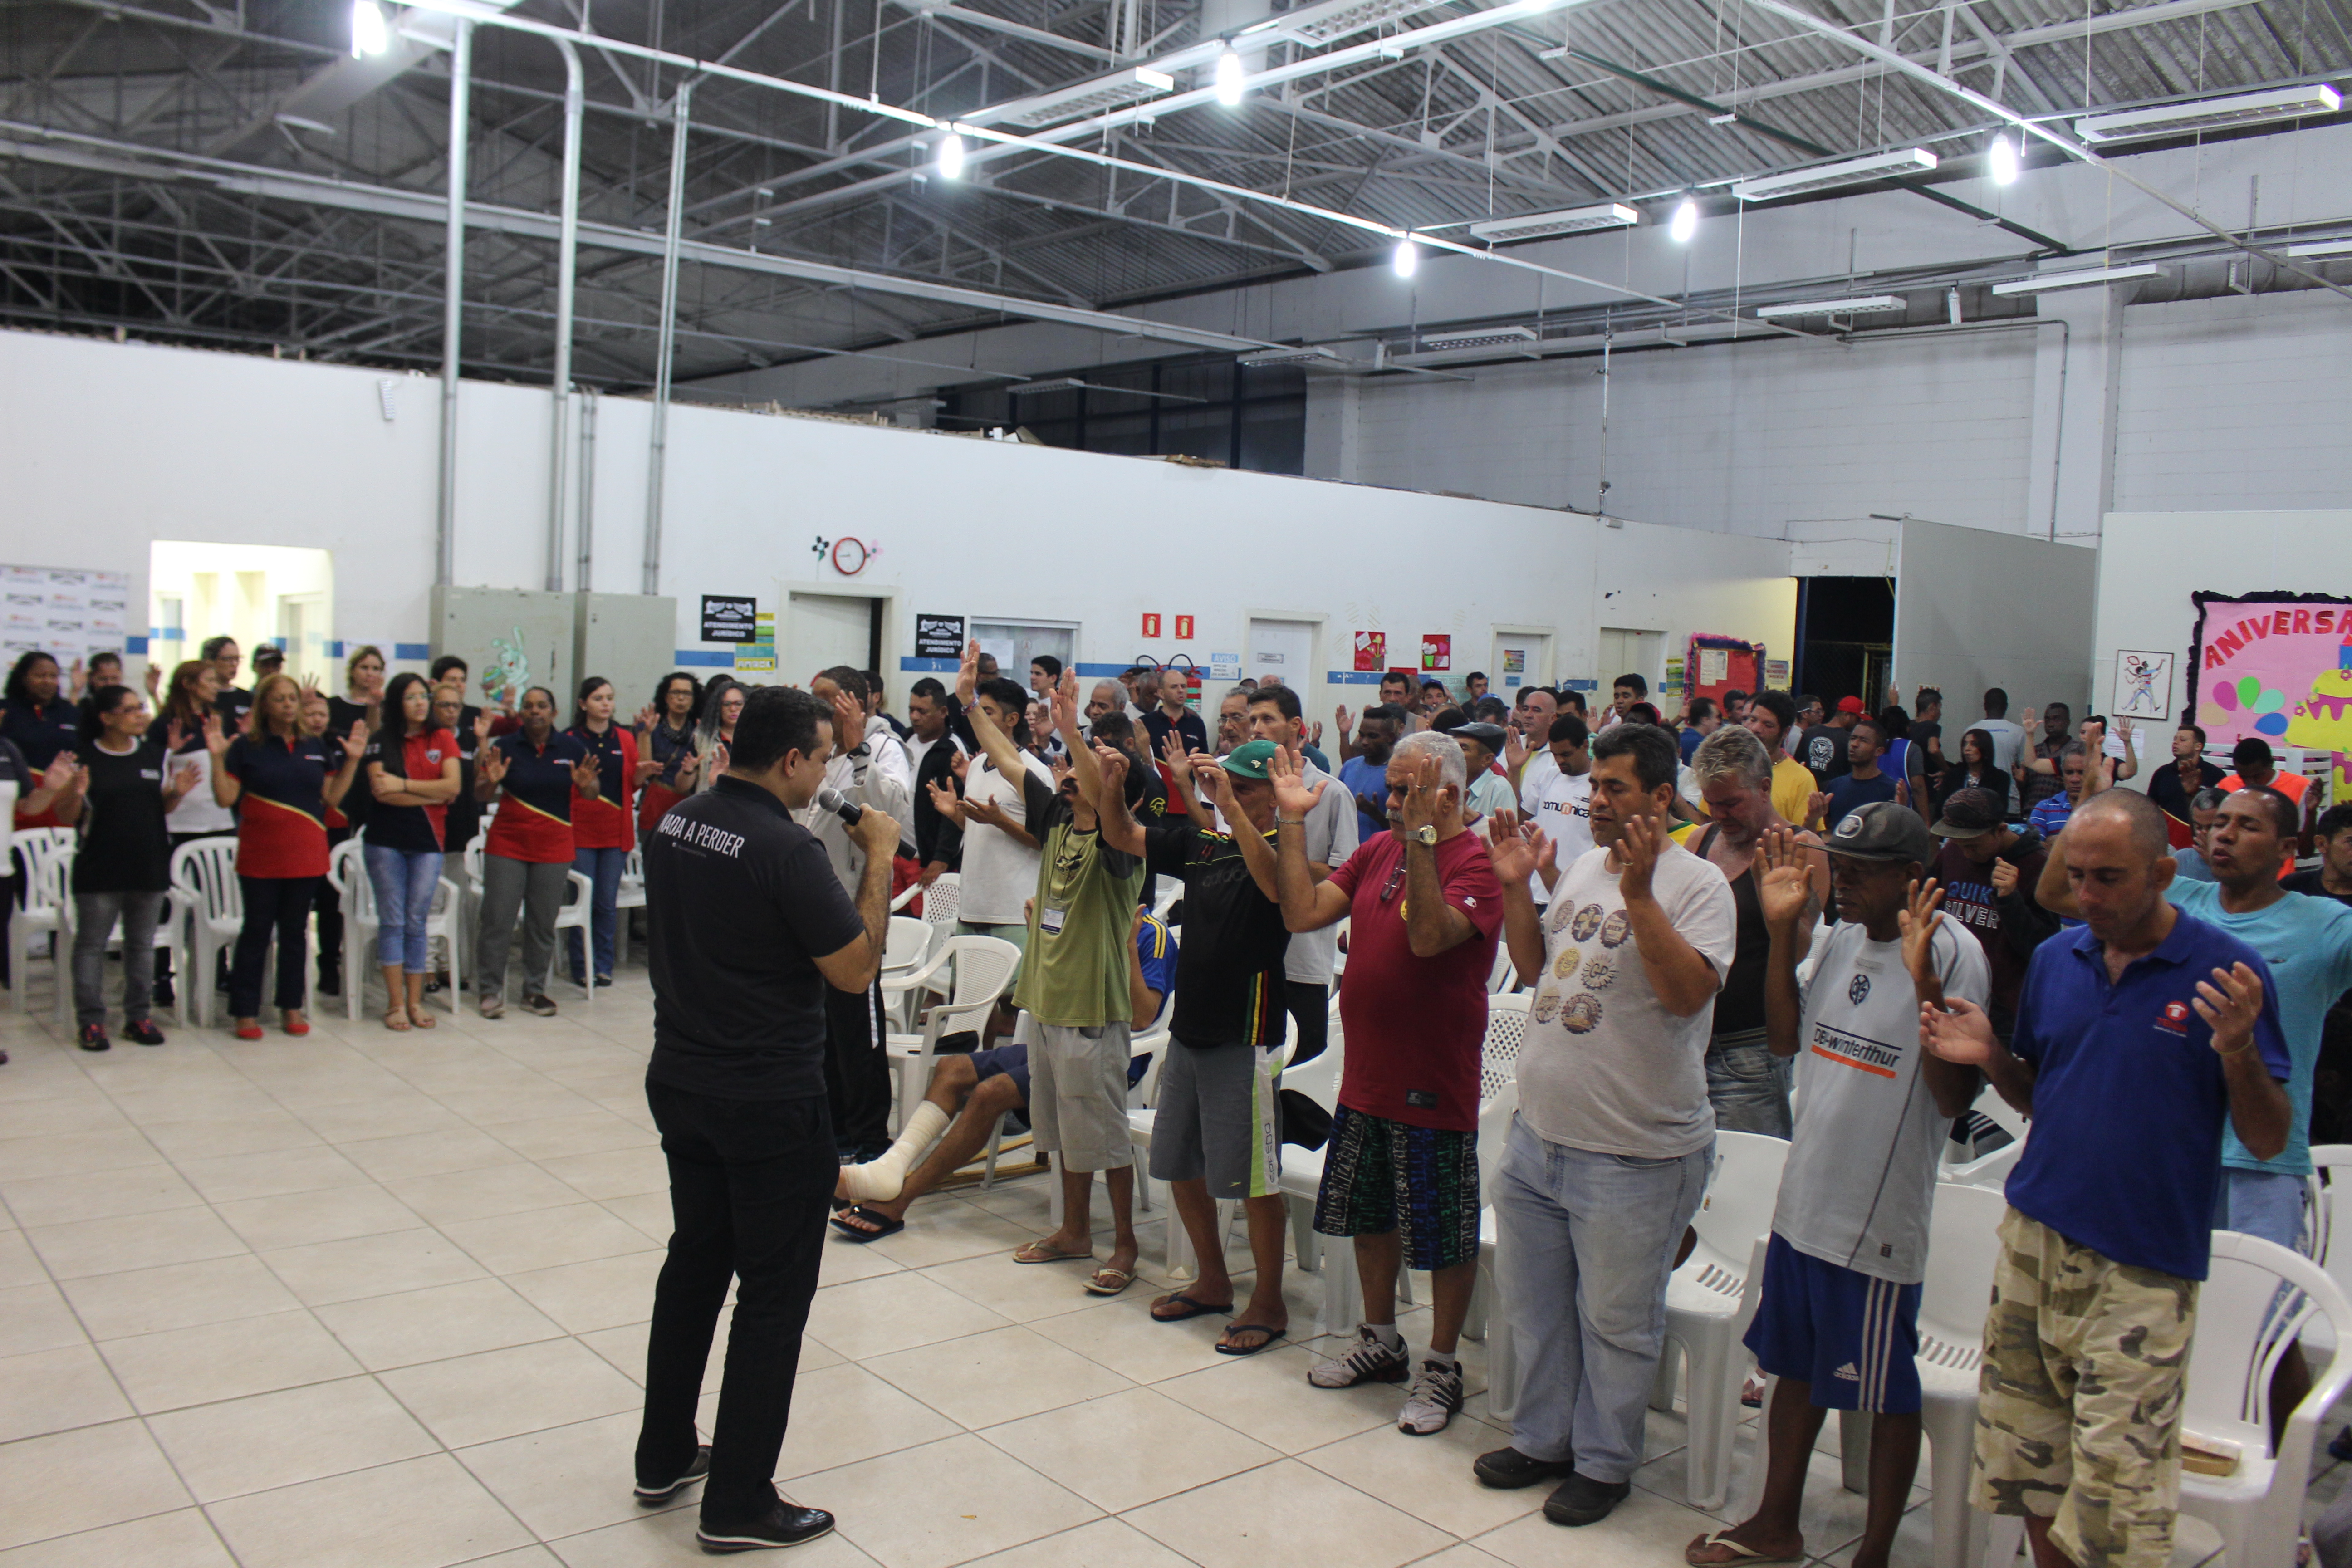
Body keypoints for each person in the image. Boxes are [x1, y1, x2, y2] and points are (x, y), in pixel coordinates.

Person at [1923, 789, 2291, 1568]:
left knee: (2114, 1507)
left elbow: (2265, 1138)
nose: (2085, 895)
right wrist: (1989, 1055)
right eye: (2076, 875)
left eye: (2108, 878)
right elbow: (2037, 1096)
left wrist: (2235, 1050)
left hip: (2142, 1265)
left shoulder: (2226, 972)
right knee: (2031, 1472)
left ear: (2161, 871)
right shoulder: (2059, 960)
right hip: (2033, 1240)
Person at [1686, 808, 1989, 1568]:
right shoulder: (1840, 938)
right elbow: (1785, 1041)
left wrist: (1921, 981)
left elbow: (1953, 1102)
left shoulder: (1952, 953)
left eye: (1860, 869)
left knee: (1885, 1393)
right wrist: (1787, 932)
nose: (1840, 880)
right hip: (1805, 1200)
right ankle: (1774, 1523)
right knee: (1792, 1368)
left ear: (1911, 877)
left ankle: (1875, 1552)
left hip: (1876, 1215)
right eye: (1838, 864)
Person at [634, 684, 896, 1554]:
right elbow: (854, 972)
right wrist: (881, 858)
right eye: (823, 757)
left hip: (682, 1079)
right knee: (774, 1295)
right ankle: (738, 1501)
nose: (827, 771)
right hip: (767, 1100)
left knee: (696, 1263)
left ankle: (665, 1449)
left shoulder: (676, 820)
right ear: (790, 760)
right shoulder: (786, 851)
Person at [1472, 722, 1732, 1522]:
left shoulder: (1697, 885)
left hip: (1633, 1154)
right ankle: (1543, 1439)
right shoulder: (1583, 864)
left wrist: (1641, 894)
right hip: (1540, 1138)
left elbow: (1687, 993)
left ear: (1660, 798)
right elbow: (1531, 963)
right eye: (1594, 788)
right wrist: (1518, 886)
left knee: (1615, 1322)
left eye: (1614, 789)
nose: (1596, 802)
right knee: (1538, 1307)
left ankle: (1605, 1461)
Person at [1274, 730, 1503, 1436]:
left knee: (1442, 1234)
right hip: (1367, 1078)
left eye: (1410, 792)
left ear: (1452, 796)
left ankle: (1441, 1365)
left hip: (1432, 1086)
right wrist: (1288, 820)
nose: (1394, 803)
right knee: (1371, 1216)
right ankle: (1382, 1341)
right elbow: (1303, 913)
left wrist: (1426, 841)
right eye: (1395, 791)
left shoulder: (1477, 865)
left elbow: (1430, 938)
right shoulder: (1378, 851)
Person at [1096, 739, 1298, 1351]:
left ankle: (1269, 1299)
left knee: (1254, 1181)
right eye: (1223, 781)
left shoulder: (1285, 853)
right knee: (1181, 1162)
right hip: (1190, 1032)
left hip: (1246, 1034)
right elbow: (1124, 834)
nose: (1226, 790)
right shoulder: (1201, 845)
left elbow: (1279, 896)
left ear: (1269, 796)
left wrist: (1231, 811)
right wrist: (1110, 783)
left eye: (1243, 785)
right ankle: (1212, 1280)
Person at [964, 654, 1147, 1295]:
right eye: (1067, 770)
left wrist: (1073, 730)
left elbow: (1111, 806)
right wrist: (969, 704)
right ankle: (1074, 1230)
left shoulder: (1121, 846)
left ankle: (1123, 1244)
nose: (1066, 776)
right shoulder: (1057, 821)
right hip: (1045, 1004)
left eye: (1081, 772)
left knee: (1106, 1134)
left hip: (1092, 1011)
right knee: (1064, 1131)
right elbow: (1012, 759)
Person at [831, 906, 1174, 1241]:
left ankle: (899, 1198)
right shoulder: (1084, 922)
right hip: (1055, 1043)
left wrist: (1127, 946)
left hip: (1107, 1056)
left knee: (990, 1093)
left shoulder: (1151, 935)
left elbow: (1143, 1018)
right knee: (953, 1068)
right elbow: (1044, 996)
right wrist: (1039, 940)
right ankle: (895, 1164)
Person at [1687, 725, 1828, 1137]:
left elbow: (1798, 953)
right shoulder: (1701, 839)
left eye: (1732, 803)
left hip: (1750, 1049)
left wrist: (1780, 916)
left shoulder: (1803, 848)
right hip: (1691, 1040)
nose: (1720, 815)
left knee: (1747, 1183)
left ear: (1765, 788)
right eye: (1712, 803)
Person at [800, 667, 914, 1164]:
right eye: (816, 700)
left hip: (856, 912)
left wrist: (857, 750)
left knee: (858, 1039)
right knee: (819, 1034)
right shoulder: (811, 750)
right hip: (809, 909)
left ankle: (870, 1141)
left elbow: (890, 816)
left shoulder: (885, 748)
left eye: (830, 701)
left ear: (858, 702)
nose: (821, 710)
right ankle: (835, 1134)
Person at [208, 671, 362, 1039]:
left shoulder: (315, 746)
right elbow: (226, 798)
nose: (289, 704)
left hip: (306, 853)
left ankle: (291, 1006)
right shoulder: (247, 746)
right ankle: (245, 1011)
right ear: (264, 705)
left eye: (293, 698)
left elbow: (332, 798)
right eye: (280, 699)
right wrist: (216, 758)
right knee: (257, 932)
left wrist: (353, 761)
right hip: (260, 855)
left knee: (295, 933)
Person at [60, 686, 196, 1049]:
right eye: (131, 710)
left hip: (148, 866)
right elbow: (67, 816)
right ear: (107, 719)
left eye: (141, 708)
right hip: (99, 868)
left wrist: (177, 793)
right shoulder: (85, 758)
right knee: (91, 946)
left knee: (142, 945)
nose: (142, 715)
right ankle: (91, 1022)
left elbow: (159, 810)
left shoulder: (153, 755)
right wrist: (75, 792)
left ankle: (138, 1018)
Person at [1246, 684, 1356, 1064]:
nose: (1256, 728)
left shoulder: (1331, 793)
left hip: (1302, 957)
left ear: (1295, 726)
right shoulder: (1243, 787)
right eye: (1252, 720)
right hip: (1248, 951)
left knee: (1298, 1081)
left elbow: (1346, 878)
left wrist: (1277, 850)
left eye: (1267, 719)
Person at [474, 686, 597, 1019]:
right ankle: (490, 991)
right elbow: (480, 793)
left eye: (542, 706)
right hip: (507, 844)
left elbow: (591, 793)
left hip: (554, 847)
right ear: (522, 714)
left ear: (554, 713)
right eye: (528, 706)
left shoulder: (572, 747)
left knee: (542, 923)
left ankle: (534, 991)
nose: (534, 711)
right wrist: (492, 781)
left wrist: (586, 784)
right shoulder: (505, 746)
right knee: (497, 920)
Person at [359, 672, 461, 1030]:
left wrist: (404, 784)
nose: (420, 703)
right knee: (394, 921)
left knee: (417, 923)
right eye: (411, 697)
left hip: (429, 842)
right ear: (396, 702)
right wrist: (430, 792)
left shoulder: (442, 737)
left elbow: (452, 787)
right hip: (385, 841)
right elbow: (381, 792)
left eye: (424, 696)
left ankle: (416, 1002)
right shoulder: (380, 741)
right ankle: (395, 1004)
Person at [1926, 788, 2057, 1042]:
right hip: (1949, 992)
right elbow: (1928, 908)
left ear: (2000, 830)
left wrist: (2010, 900)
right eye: (1959, 844)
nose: (1965, 853)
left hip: (2003, 1011)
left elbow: (2043, 949)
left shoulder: (2038, 866)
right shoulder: (1952, 852)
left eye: (1973, 845)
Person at [938, 675, 1049, 955]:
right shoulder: (975, 765)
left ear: (1012, 719)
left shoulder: (1034, 771)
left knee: (1013, 1000)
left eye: (986, 713)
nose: (977, 718)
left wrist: (1001, 821)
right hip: (972, 907)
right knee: (965, 998)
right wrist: (955, 815)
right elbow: (978, 830)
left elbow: (1047, 841)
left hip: (1013, 911)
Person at [149, 658, 238, 1007]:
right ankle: (161, 976)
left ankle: (218, 971)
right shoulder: (166, 725)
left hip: (220, 824)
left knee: (219, 904)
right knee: (171, 908)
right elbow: (154, 773)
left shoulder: (215, 721)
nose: (216, 686)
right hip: (180, 827)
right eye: (209, 680)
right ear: (188, 683)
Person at [564, 676, 642, 990]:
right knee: (582, 900)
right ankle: (581, 966)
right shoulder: (569, 738)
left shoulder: (625, 737)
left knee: (606, 904)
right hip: (580, 832)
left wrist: (644, 773)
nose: (606, 704)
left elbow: (633, 784)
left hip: (615, 833)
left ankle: (602, 967)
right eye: (598, 698)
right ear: (583, 704)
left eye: (610, 697)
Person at [1520, 714, 1593, 909]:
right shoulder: (1548, 776)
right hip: (1537, 891)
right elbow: (1522, 817)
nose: (1560, 760)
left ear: (1585, 746)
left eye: (1566, 754)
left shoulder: (1599, 786)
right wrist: (1513, 770)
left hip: (1578, 893)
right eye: (1555, 755)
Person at [2, 650, 83, 828]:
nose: (48, 681)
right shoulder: (6, 711)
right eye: (40, 676)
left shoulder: (70, 711)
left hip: (61, 803)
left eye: (53, 676)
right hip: (19, 802)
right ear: (23, 677)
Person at [902, 677, 964, 890]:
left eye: (922, 711)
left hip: (928, 861)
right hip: (896, 853)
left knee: (924, 922)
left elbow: (957, 808)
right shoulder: (904, 740)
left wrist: (942, 857)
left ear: (943, 712)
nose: (914, 717)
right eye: (911, 710)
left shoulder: (953, 751)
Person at [636, 672, 704, 838]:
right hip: (655, 805)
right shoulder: (651, 728)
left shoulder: (700, 731)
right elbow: (644, 768)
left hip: (688, 807)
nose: (681, 698)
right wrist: (645, 734)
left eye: (687, 693)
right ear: (666, 698)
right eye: (676, 693)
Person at [1741, 692, 1818, 827]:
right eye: (1753, 720)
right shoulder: (1729, 764)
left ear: (1786, 732)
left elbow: (1805, 840)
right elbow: (1706, 823)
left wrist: (1812, 821)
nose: (1756, 729)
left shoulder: (1801, 779)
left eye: (1768, 725)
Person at [1808, 717, 1900, 831]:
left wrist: (1903, 806)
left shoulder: (1891, 789)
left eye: (1863, 741)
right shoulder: (1835, 786)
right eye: (1853, 738)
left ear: (1879, 751)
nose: (1855, 744)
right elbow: (1823, 829)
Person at [1339, 704, 1405, 845]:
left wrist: (1375, 815)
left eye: (1373, 737)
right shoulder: (1350, 766)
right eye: (1362, 735)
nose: (1364, 742)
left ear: (1390, 737)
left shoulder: (1398, 774)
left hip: (1381, 854)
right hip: (1345, 853)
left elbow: (1407, 830)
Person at [2146, 721, 2225, 840]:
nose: (2175, 743)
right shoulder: (2162, 773)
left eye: (2182, 740)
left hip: (2202, 838)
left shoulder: (2215, 774)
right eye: (2175, 739)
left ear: (2198, 746)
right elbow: (2151, 808)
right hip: (2168, 838)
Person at [1445, 720, 1519, 826]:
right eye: (1453, 746)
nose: (1453, 752)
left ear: (1487, 759)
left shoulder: (1499, 788)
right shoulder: (1446, 781)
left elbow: (1504, 837)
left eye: (1463, 748)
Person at [1932, 727, 2011, 823]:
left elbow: (2000, 810)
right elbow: (1941, 807)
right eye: (1965, 744)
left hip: (1983, 829)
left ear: (1985, 748)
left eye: (1974, 744)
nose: (1967, 749)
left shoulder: (2000, 777)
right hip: (1954, 828)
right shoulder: (1953, 775)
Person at [2013, 700, 2073, 818]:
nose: (2051, 724)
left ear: (2068, 722)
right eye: (2048, 719)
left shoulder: (2076, 752)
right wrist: (2020, 782)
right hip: (2032, 814)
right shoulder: (2034, 752)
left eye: (2056, 719)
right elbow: (2025, 790)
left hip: (2062, 816)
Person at [2027, 741, 2094, 838]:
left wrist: (2054, 841)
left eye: (2082, 773)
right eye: (2069, 773)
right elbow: (2036, 850)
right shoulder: (2044, 809)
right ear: (2062, 775)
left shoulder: (2106, 810)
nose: (2075, 779)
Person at [694, 677, 747, 792]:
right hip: (710, 803)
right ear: (718, 707)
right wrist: (688, 771)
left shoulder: (757, 739)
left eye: (739, 704)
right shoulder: (701, 738)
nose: (733, 709)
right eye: (727, 704)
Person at [1142, 673, 1208, 760]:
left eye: (1184, 686)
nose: (1180, 690)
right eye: (1174, 687)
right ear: (1161, 693)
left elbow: (1205, 759)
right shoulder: (1146, 723)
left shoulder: (1197, 723)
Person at [1794, 696, 1858, 785]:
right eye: (1857, 718)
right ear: (1847, 715)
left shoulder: (1810, 732)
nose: (1858, 723)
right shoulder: (1848, 740)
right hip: (1833, 794)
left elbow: (1797, 763)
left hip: (1807, 790)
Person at [2172, 787, 2228, 882]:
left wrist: (2214, 863)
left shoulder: (2242, 864)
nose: (2203, 833)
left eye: (2211, 827)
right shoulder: (2182, 859)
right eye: (2198, 827)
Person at [201, 636, 252, 735]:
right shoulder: (202, 697)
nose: (234, 664)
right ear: (210, 661)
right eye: (228, 659)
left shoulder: (247, 698)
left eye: (237, 659)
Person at [1975, 688, 2026, 777]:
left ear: (1985, 706)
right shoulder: (2019, 732)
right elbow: (2024, 766)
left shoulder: (1971, 731)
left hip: (1978, 790)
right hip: (2009, 790)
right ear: (2006, 706)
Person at [1678, 696, 1721, 764]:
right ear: (1705, 720)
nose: (1718, 722)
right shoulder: (1702, 745)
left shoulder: (1681, 736)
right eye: (1716, 717)